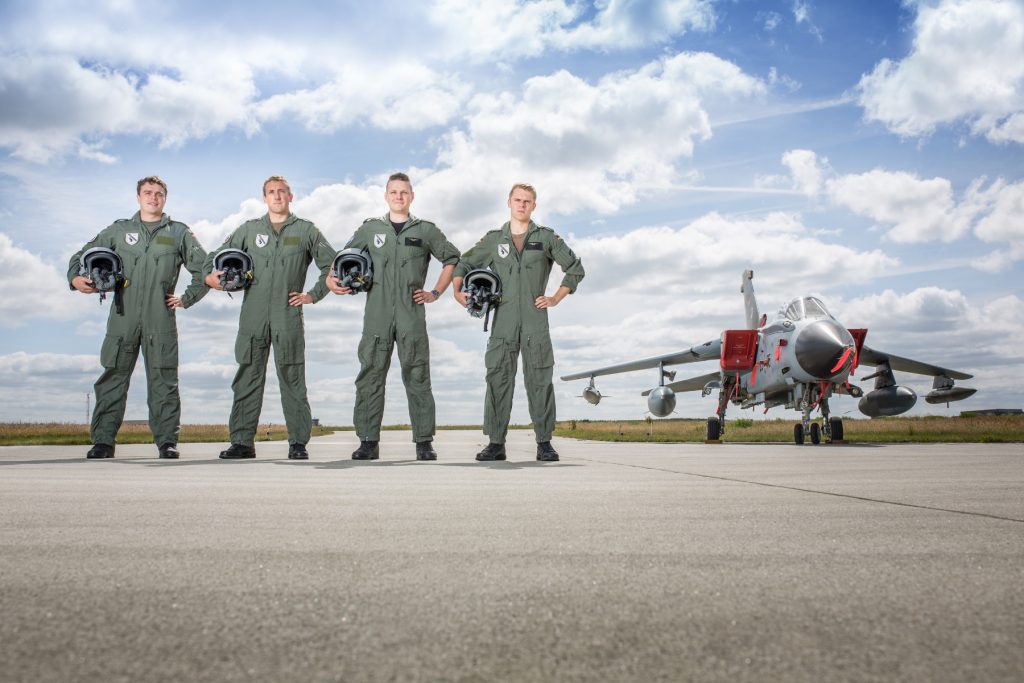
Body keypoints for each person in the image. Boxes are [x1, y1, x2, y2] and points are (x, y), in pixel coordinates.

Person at [68, 176, 209, 459]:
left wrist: (187, 297)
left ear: (165, 199)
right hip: (123, 316)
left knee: (164, 380)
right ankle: (103, 442)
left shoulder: (179, 233)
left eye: (159, 194)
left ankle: (167, 442)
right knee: (112, 378)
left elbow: (205, 269)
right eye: (148, 193)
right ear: (138, 197)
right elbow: (80, 256)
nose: (153, 198)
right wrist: (75, 279)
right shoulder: (118, 231)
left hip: (161, 318)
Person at [327, 172, 460, 461]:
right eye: (394, 192)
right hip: (377, 313)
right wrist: (330, 280)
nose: (399, 197)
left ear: (412, 196)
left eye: (404, 192)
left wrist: (436, 292)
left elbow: (452, 258)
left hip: (411, 312)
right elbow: (340, 259)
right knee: (370, 375)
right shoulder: (370, 229)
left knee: (418, 375)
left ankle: (424, 442)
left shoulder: (425, 230)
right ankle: (368, 441)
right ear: (386, 196)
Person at [206, 176, 335, 460]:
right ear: (265, 198)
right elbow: (213, 259)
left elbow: (332, 265)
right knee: (247, 377)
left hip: (287, 314)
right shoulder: (249, 230)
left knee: (292, 377)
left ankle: (298, 443)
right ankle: (242, 442)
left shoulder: (306, 230)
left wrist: (313, 294)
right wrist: (212, 279)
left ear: (291, 196)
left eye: (281, 192)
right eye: (271, 192)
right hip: (253, 315)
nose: (277, 196)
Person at [453, 183, 584, 462]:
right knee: (498, 379)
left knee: (540, 380)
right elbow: (464, 264)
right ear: (509, 202)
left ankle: (544, 443)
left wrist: (555, 298)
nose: (522, 205)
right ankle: (495, 443)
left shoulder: (545, 238)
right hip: (503, 320)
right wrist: (457, 291)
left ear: (534, 205)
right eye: (517, 200)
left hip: (536, 319)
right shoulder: (494, 240)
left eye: (527, 201)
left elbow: (575, 268)